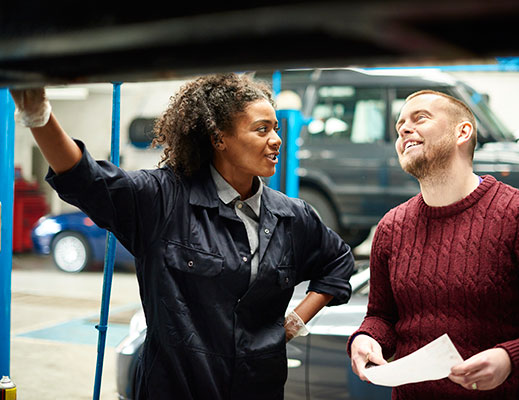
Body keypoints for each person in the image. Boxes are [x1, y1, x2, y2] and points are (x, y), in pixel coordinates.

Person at [11, 73, 354, 400]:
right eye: (261, 129)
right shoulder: (163, 199)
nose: (276, 139)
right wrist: (38, 116)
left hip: (258, 389)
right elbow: (86, 179)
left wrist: (294, 321)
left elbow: (337, 262)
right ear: (219, 138)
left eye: (275, 128)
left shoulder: (291, 216)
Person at [348, 90, 519, 399]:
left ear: (463, 132)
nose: (403, 129)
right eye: (399, 125)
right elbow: (381, 316)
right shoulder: (391, 226)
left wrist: (509, 358)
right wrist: (366, 338)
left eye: (420, 118)